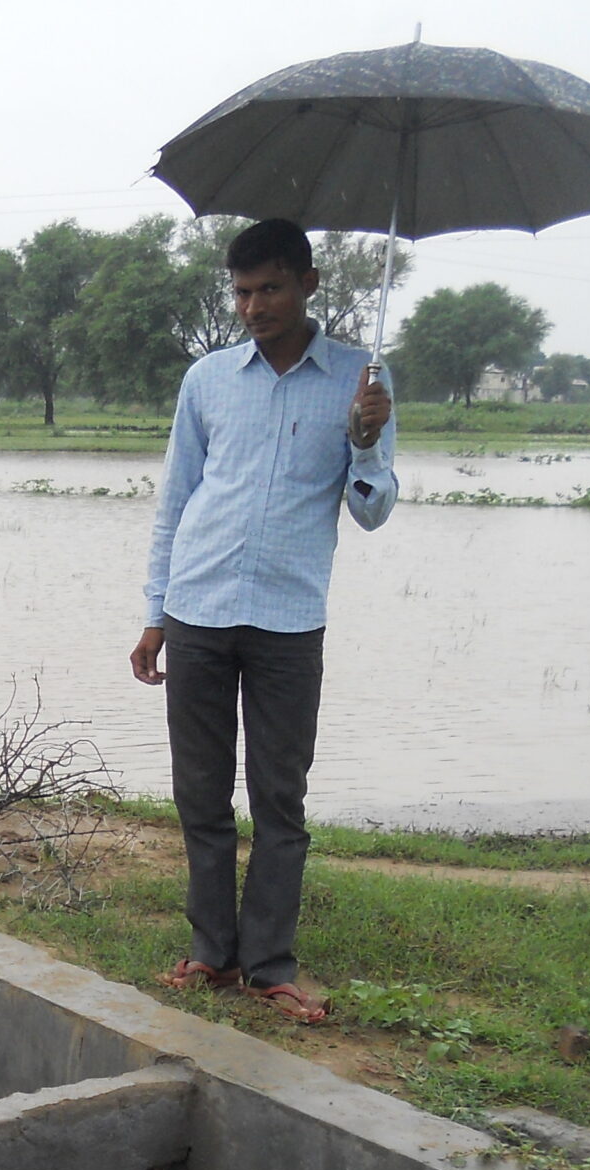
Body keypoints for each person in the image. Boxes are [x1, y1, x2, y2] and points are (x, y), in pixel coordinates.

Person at [130, 218, 397, 1026]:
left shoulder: (362, 380)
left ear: (309, 284)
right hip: (199, 610)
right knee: (200, 795)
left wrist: (366, 444)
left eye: (270, 288)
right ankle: (212, 952)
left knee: (281, 801)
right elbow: (177, 499)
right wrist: (154, 615)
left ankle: (268, 965)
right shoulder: (207, 380)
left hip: (288, 622)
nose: (254, 306)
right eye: (242, 292)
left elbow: (374, 511)